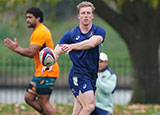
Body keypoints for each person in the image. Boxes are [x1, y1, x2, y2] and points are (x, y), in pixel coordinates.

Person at [52, 1, 106, 115]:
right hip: (78, 74)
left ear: (92, 16)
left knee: (78, 110)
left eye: (88, 13)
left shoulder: (99, 31)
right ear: (78, 16)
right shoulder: (70, 35)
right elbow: (56, 52)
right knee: (90, 106)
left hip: (91, 74)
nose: (85, 15)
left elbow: (91, 43)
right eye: (83, 13)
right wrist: (49, 62)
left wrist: (72, 46)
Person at [4, 7, 59, 115]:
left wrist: (16, 48)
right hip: (40, 72)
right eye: (26, 17)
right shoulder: (39, 30)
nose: (27, 20)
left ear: (38, 18)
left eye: (30, 17)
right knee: (29, 97)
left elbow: (31, 53)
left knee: (44, 102)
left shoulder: (40, 32)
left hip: (47, 72)